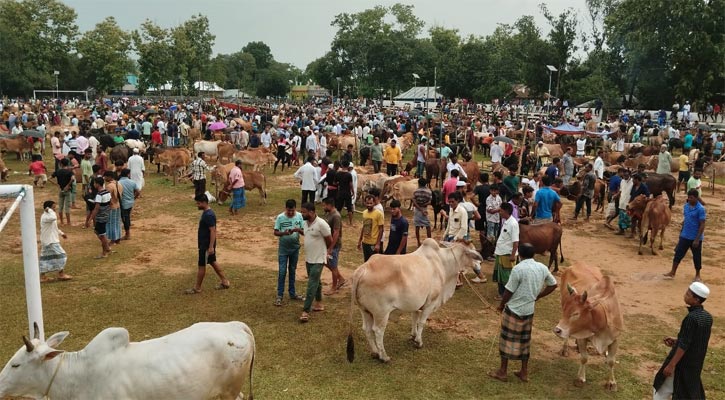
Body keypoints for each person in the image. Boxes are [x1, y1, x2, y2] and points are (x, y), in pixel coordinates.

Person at [489, 243, 558, 383]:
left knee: (506, 340)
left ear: (519, 254)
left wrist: (501, 305)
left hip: (513, 310)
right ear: (533, 254)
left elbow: (509, 290)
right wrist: (539, 295)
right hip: (528, 310)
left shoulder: (518, 269)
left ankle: (503, 371)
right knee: (524, 341)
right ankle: (524, 372)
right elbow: (553, 284)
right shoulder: (542, 268)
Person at [652, 282, 712, 400]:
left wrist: (671, 365)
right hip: (694, 366)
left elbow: (684, 344)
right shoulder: (707, 317)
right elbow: (695, 340)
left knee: (661, 392)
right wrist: (676, 341)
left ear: (696, 300)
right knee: (688, 392)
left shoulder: (691, 318)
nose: (685, 295)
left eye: (688, 293)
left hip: (681, 365)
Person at [185, 193, 231, 294]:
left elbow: (213, 231)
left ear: (204, 203)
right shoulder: (208, 213)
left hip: (206, 245)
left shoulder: (208, 215)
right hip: (207, 245)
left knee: (201, 265)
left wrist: (210, 247)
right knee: (213, 262)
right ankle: (225, 282)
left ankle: (197, 288)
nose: (197, 205)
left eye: (198, 203)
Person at [298, 202, 332, 323]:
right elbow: (308, 234)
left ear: (312, 212)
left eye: (304, 212)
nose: (302, 214)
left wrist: (327, 252)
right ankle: (319, 304)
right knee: (316, 282)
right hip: (309, 258)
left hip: (318, 259)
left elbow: (329, 239)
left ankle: (306, 311)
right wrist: (298, 230)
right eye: (302, 212)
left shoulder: (322, 224)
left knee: (312, 282)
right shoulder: (305, 223)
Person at [664, 189, 706, 282]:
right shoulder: (686, 206)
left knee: (696, 256)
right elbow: (686, 219)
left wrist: (697, 239)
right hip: (685, 235)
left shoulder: (700, 209)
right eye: (688, 197)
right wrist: (681, 233)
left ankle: (698, 275)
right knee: (678, 254)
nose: (689, 199)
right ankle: (672, 272)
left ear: (696, 198)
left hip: (695, 237)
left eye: (691, 198)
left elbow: (702, 224)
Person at [273, 199, 305, 306]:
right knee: (282, 272)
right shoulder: (280, 217)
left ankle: (292, 293)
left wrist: (297, 230)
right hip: (283, 249)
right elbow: (276, 232)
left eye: (292, 211)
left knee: (292, 270)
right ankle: (279, 295)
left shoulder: (300, 216)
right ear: (285, 209)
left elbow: (304, 231)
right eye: (288, 211)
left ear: (295, 209)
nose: (290, 213)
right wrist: (284, 233)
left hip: (295, 248)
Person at [39, 200, 72, 282]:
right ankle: (60, 274)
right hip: (50, 241)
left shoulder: (48, 216)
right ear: (48, 208)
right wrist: (49, 210)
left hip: (49, 240)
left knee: (45, 258)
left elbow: (54, 227)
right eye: (53, 208)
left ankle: (43, 276)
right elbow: (54, 217)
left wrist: (61, 233)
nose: (55, 209)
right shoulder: (46, 216)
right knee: (62, 255)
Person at [492, 202, 519, 299]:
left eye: (501, 211)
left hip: (507, 254)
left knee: (506, 276)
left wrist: (512, 255)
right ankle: (501, 293)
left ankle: (507, 294)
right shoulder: (506, 221)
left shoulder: (513, 224)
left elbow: (515, 241)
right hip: (501, 252)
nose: (499, 213)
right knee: (500, 275)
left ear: (506, 211)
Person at [322, 197, 346, 295]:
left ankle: (334, 287)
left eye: (324, 205)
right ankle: (340, 278)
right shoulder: (329, 214)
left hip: (334, 245)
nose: (323, 207)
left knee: (333, 265)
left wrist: (331, 247)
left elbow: (336, 232)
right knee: (325, 262)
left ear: (329, 205)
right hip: (328, 244)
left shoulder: (336, 216)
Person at [85, 177, 111, 259]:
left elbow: (96, 208)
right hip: (106, 214)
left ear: (97, 184)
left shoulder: (99, 195)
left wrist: (89, 220)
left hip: (100, 217)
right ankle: (107, 247)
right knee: (97, 231)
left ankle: (105, 251)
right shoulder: (107, 192)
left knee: (102, 235)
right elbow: (109, 203)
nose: (93, 185)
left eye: (94, 183)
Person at [358, 194, 384, 262]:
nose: (369, 205)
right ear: (364, 203)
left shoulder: (379, 214)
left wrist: (378, 244)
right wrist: (360, 240)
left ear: (374, 203)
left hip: (373, 243)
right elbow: (364, 227)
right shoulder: (364, 213)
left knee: (374, 263)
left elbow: (381, 229)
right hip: (365, 242)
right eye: (367, 203)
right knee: (366, 262)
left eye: (371, 203)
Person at [50, 158, 74, 225]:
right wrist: (68, 185)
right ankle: (68, 222)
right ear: (68, 164)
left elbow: (49, 178)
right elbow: (73, 179)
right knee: (67, 207)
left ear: (61, 164)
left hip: (61, 189)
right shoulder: (69, 172)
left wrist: (56, 184)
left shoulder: (58, 171)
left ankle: (61, 222)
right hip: (67, 190)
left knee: (60, 206)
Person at [118, 169, 139, 241]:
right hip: (130, 202)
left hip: (123, 203)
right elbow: (138, 191)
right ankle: (127, 232)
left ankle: (127, 234)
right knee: (127, 217)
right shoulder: (132, 182)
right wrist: (134, 198)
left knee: (125, 218)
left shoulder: (119, 183)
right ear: (128, 174)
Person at [103, 171, 123, 245]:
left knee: (111, 223)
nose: (104, 178)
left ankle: (113, 239)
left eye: (105, 177)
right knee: (117, 222)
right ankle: (118, 238)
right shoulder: (118, 183)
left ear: (109, 177)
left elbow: (107, 198)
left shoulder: (109, 186)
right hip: (118, 205)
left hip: (112, 206)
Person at [412, 178, 433, 247]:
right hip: (425, 209)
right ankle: (429, 241)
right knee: (428, 225)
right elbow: (430, 201)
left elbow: (414, 201)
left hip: (417, 210)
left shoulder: (416, 191)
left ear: (419, 184)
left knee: (417, 226)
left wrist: (419, 208)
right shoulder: (429, 191)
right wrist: (424, 206)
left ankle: (418, 242)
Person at [335, 161, 354, 225]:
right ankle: (351, 222)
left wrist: (339, 183)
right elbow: (350, 184)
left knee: (339, 208)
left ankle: (338, 222)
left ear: (342, 165)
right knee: (349, 208)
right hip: (347, 192)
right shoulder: (349, 174)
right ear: (348, 166)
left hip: (340, 192)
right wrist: (353, 192)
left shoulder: (338, 173)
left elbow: (335, 183)